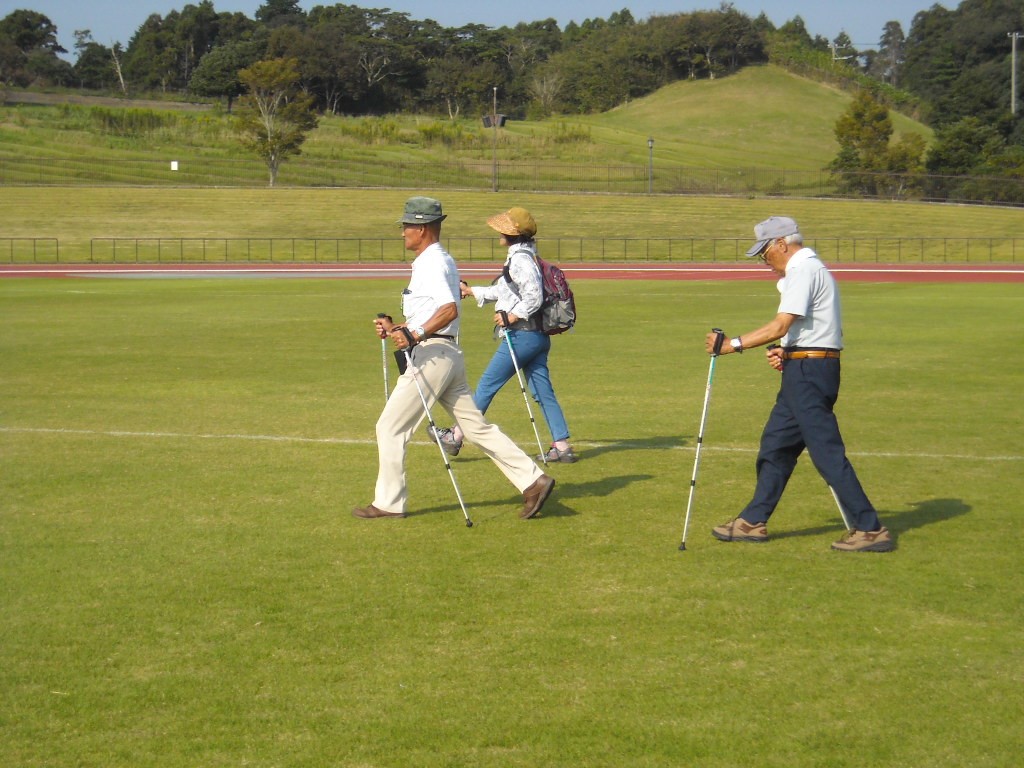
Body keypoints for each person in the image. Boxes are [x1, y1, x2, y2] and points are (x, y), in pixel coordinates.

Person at [353, 196, 555, 521]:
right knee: (476, 428)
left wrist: (415, 335)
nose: (403, 232)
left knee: (389, 427)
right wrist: (399, 328)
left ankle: (389, 503)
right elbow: (432, 312)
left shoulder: (433, 263)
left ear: (422, 228)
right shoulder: (437, 261)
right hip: (446, 354)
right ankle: (534, 480)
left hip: (432, 355)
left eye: (406, 226)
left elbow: (448, 310)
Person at [705, 215, 893, 552]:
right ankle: (753, 521)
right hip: (802, 370)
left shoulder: (804, 268)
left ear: (782, 243)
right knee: (776, 446)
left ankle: (870, 528)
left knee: (826, 452)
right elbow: (799, 330)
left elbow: (780, 324)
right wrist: (786, 351)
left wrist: (731, 345)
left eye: (765, 253)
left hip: (810, 374)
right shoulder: (803, 270)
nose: (765, 262)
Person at [427, 206, 577, 464]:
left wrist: (512, 316)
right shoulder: (525, 256)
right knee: (543, 392)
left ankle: (456, 435)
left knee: (487, 385)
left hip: (521, 336)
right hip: (537, 337)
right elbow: (505, 291)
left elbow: (533, 297)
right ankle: (562, 446)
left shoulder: (520, 260)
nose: (497, 231)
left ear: (512, 233)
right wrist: (472, 291)